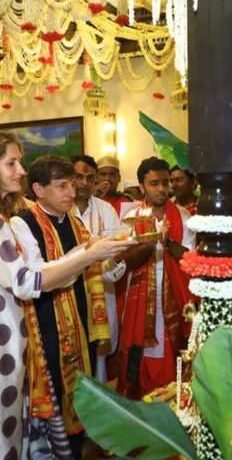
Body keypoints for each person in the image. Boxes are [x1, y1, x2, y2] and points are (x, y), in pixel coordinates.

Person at [0, 131, 135, 460]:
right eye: (11, 163)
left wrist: (90, 252)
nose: (21, 171)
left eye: (20, 162)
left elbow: (28, 272)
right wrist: (87, 257)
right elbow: (26, 281)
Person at [9, 155, 114, 460]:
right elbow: (37, 272)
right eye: (63, 185)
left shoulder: (75, 222)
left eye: (74, 183)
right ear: (39, 190)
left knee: (82, 381)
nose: (72, 191)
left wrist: (115, 253)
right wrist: (87, 254)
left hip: (80, 315)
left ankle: (78, 445)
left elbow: (100, 270)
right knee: (55, 383)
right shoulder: (22, 222)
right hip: (45, 319)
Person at [118, 157, 195, 398]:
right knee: (141, 351)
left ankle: (175, 400)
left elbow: (189, 259)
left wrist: (168, 240)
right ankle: (141, 402)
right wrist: (151, 240)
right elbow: (127, 261)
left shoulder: (182, 216)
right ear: (142, 187)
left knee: (173, 348)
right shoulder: (130, 218)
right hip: (140, 298)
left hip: (174, 296)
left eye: (165, 182)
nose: (162, 189)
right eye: (154, 183)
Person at [71, 155, 126, 382]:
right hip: (69, 297)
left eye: (89, 178)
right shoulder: (61, 210)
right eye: (78, 177)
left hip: (101, 296)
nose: (84, 183)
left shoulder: (106, 211)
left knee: (99, 362)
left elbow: (116, 260)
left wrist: (106, 258)